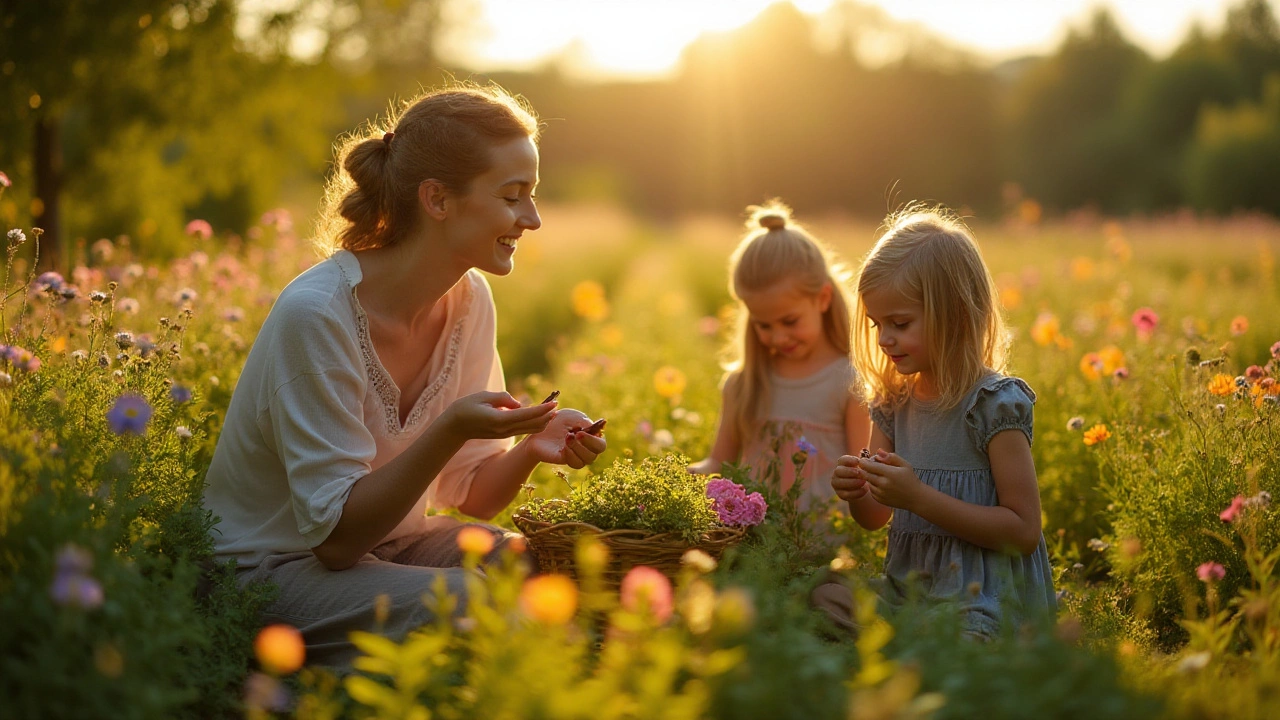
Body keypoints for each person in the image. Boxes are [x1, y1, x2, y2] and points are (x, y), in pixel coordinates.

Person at [202, 84, 606, 668]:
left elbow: (472, 495)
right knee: (472, 603)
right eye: (513, 196)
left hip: (389, 546)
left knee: (542, 568)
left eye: (532, 196)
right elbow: (337, 542)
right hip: (269, 571)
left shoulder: (470, 300)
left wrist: (530, 450)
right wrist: (446, 430)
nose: (533, 218)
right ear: (438, 199)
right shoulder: (318, 314)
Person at [812, 205, 1055, 639]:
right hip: (910, 590)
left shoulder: (994, 405)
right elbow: (874, 517)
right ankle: (914, 640)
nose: (885, 338)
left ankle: (924, 647)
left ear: (955, 314)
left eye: (900, 323)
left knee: (969, 637)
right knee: (823, 596)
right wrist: (857, 491)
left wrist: (920, 497)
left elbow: (1022, 531)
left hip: (985, 595)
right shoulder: (893, 402)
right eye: (877, 324)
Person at [689, 201, 871, 530]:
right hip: (753, 547)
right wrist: (679, 478)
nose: (778, 337)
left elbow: (864, 480)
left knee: (831, 587)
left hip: (824, 548)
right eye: (763, 325)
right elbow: (719, 463)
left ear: (823, 299)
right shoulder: (743, 385)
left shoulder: (849, 382)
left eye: (789, 321)